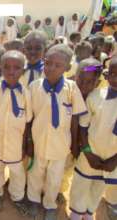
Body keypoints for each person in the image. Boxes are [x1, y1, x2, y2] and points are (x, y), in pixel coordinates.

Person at [26, 44, 87, 220]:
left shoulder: (72, 88)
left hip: (61, 146)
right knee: (35, 175)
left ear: (67, 68)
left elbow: (75, 118)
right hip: (39, 143)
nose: (51, 68)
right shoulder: (34, 87)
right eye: (48, 62)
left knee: (54, 178)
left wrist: (74, 144)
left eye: (57, 65)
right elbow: (29, 119)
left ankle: (50, 204)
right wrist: (29, 141)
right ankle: (34, 200)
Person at [69, 57, 117, 220]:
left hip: (110, 157)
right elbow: (82, 128)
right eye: (112, 74)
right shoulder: (95, 97)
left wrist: (115, 160)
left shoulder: (95, 94)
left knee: (98, 186)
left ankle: (88, 213)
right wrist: (86, 151)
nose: (115, 79)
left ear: (97, 81)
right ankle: (76, 211)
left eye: (90, 81)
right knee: (79, 182)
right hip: (87, 151)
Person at [0, 50, 32, 214]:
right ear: (1, 67)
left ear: (23, 70)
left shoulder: (26, 94)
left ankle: (17, 196)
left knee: (18, 172)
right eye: (7, 67)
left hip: (16, 144)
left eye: (17, 67)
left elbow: (28, 122)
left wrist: (26, 144)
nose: (11, 71)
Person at [59, 58, 103, 204]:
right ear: (74, 76)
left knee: (69, 170)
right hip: (62, 141)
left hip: (84, 145)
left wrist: (79, 145)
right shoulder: (67, 92)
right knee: (59, 167)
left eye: (89, 82)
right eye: (80, 79)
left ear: (97, 83)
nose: (83, 85)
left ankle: (60, 190)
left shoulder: (96, 99)